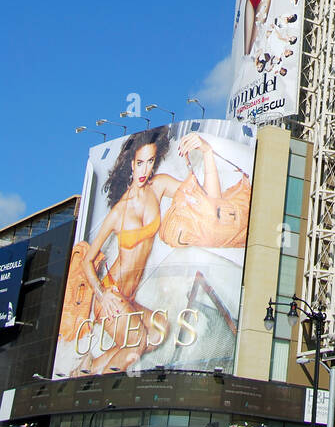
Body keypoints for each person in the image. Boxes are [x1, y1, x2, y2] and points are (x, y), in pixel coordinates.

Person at [72, 129, 233, 376]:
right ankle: (96, 387)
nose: (145, 170)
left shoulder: (158, 187)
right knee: (135, 342)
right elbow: (86, 261)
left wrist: (207, 151)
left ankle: (89, 368)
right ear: (131, 166)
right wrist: (102, 294)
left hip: (129, 297)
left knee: (158, 332)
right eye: (139, 163)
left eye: (150, 161)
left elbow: (210, 201)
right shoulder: (119, 211)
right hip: (112, 295)